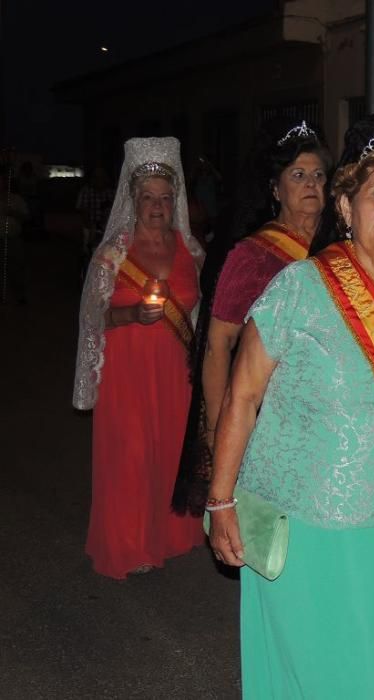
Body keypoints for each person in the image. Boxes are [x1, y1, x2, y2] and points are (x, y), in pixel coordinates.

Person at [207, 115, 374, 699]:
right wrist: (222, 499)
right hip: (315, 534)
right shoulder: (300, 288)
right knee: (338, 680)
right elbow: (243, 393)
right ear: (345, 204)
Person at [172, 122, 331, 515]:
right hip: (270, 414)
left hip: (329, 410)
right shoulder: (254, 255)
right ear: (276, 190)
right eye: (298, 175)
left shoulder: (339, 250)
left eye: (318, 175)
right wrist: (216, 432)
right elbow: (217, 345)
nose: (310, 183)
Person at [73, 137, 205, 579]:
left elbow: (202, 315)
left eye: (165, 198)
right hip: (126, 375)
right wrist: (130, 312)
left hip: (174, 375)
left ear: (176, 202)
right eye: (148, 197)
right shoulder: (113, 253)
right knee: (130, 456)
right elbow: (91, 316)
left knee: (168, 452)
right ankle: (129, 543)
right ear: (133, 200)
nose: (157, 206)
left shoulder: (193, 252)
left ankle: (169, 535)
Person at [0, 169, 30, 304]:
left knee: (17, 267)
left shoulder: (16, 199)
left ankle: (19, 295)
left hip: (13, 238)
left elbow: (26, 217)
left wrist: (13, 212)